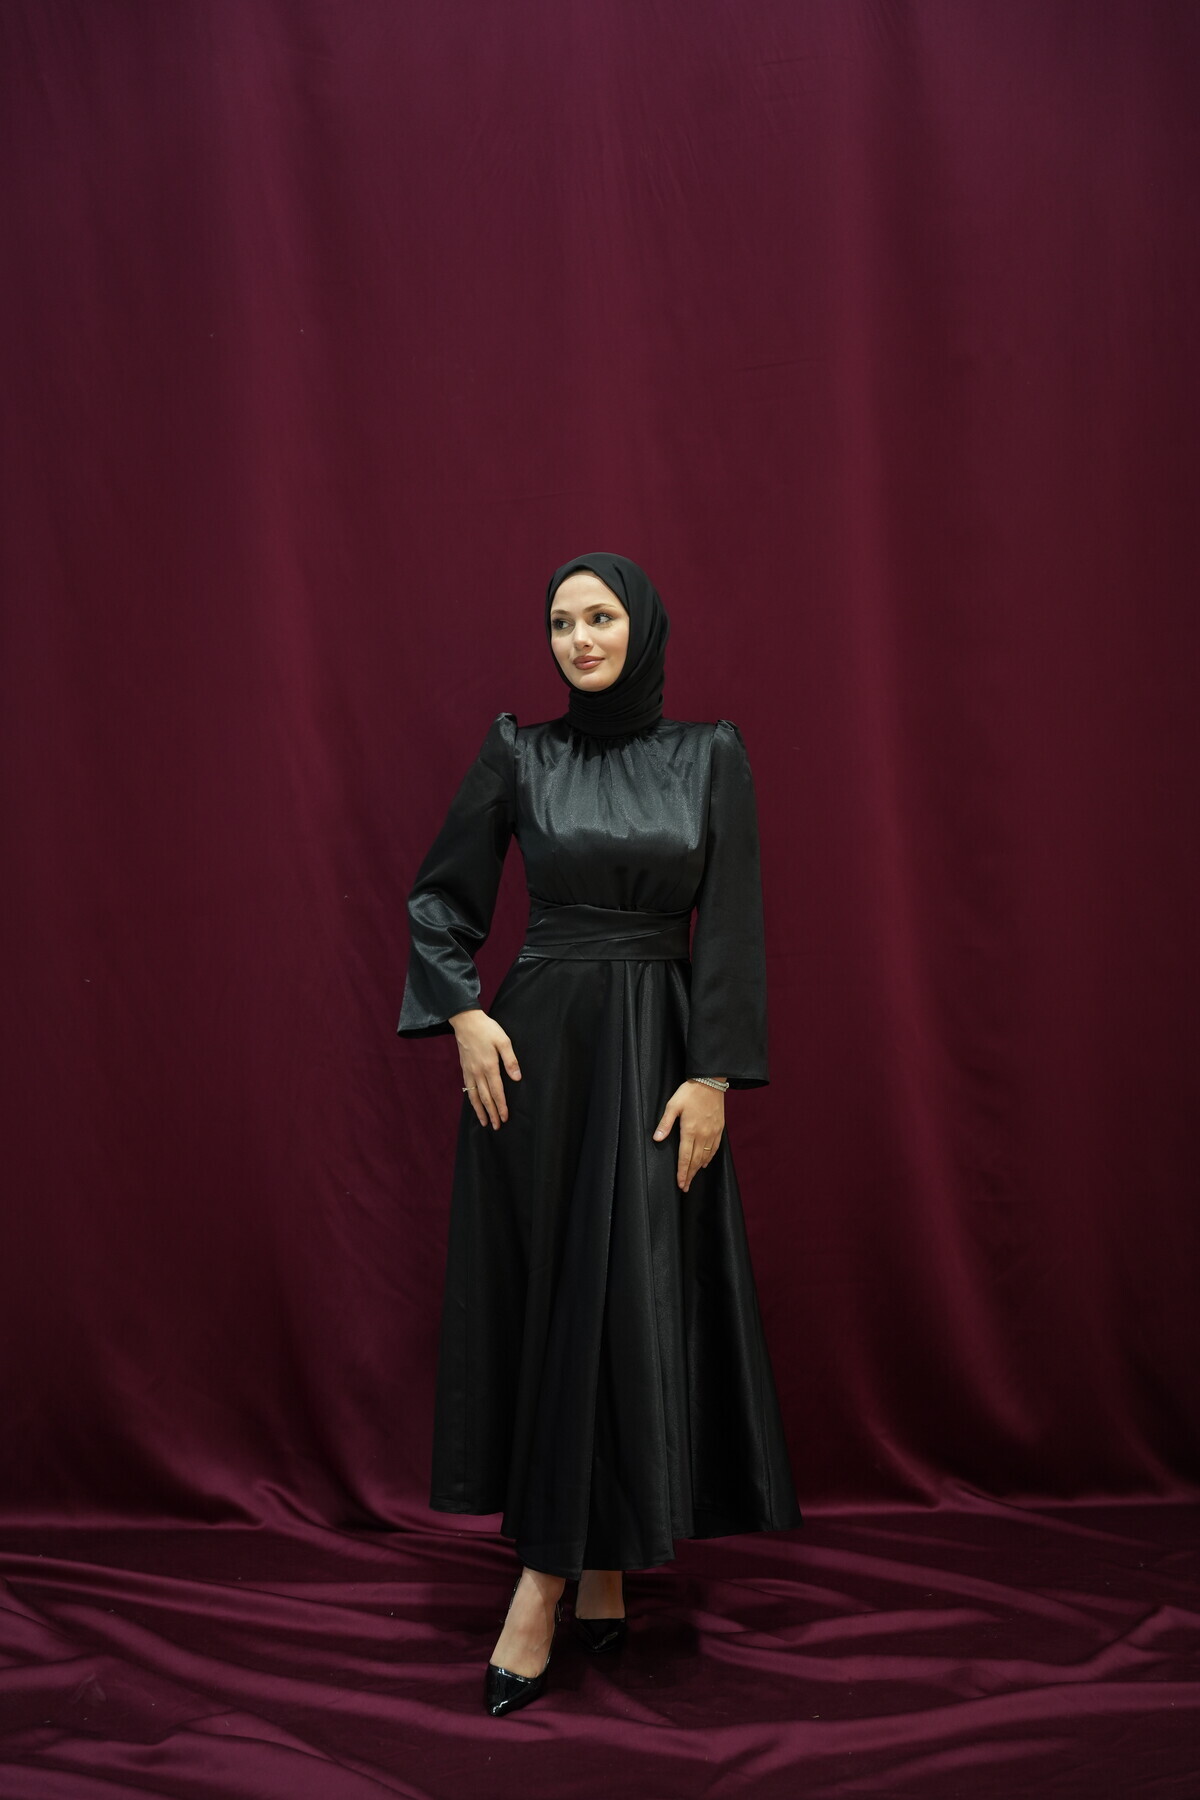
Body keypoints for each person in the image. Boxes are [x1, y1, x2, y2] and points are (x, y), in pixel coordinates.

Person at [396, 552, 801, 1716]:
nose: (579, 639)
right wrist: (464, 1014)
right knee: (563, 1306)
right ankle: (575, 1572)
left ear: (642, 628)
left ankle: (563, 1575)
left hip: (659, 1061)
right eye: (562, 622)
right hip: (538, 1065)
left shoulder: (709, 755)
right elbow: (439, 902)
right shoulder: (520, 754)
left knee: (627, 1300)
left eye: (601, 617)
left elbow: (731, 925)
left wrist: (714, 1074)